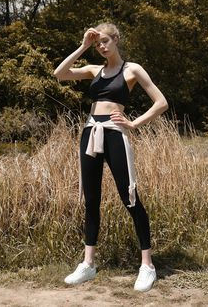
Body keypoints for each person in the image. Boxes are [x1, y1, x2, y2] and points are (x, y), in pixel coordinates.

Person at [54, 23, 168, 292]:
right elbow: (59, 74)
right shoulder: (95, 70)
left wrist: (135, 123)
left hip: (115, 133)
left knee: (130, 197)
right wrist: (83, 45)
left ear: (116, 40)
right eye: (98, 44)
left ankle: (147, 266)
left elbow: (161, 102)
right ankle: (88, 264)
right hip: (90, 132)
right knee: (91, 199)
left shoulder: (132, 69)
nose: (102, 47)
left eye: (105, 41)